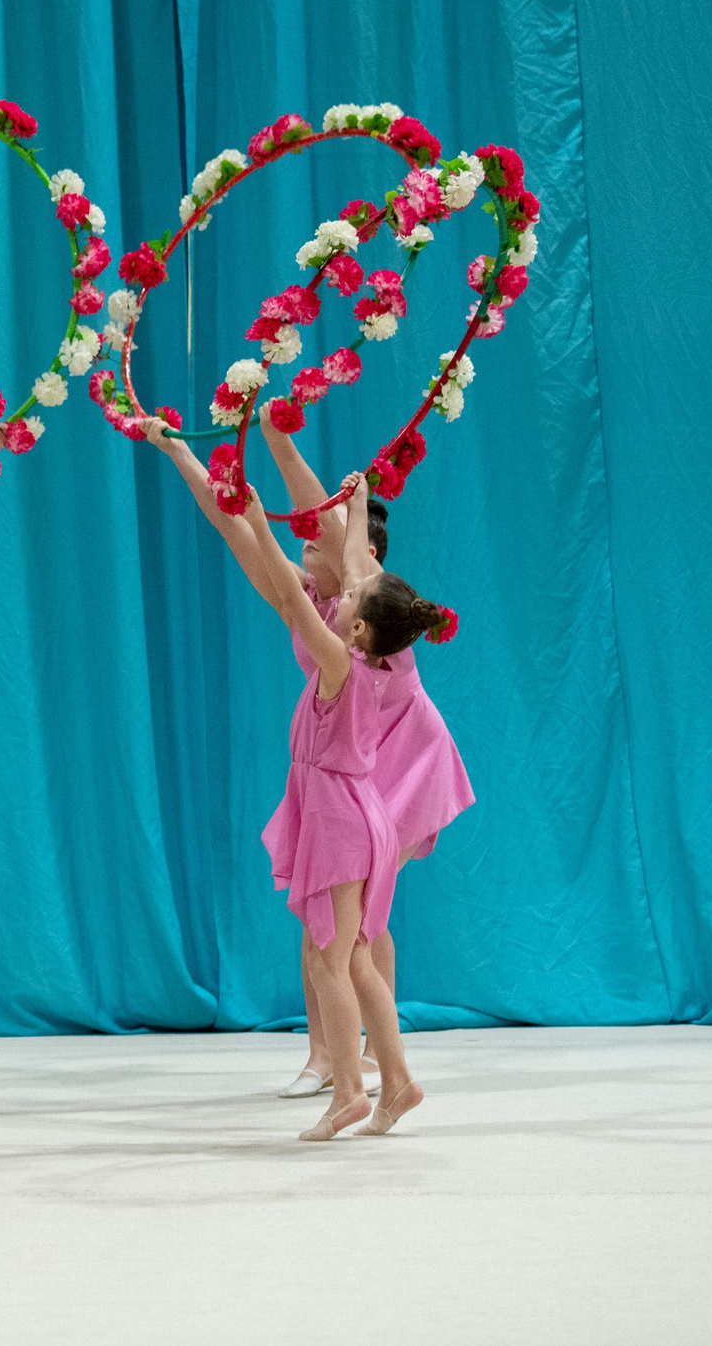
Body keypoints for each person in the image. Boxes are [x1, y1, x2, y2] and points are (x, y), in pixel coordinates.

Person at [146, 420, 436, 1139]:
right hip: (353, 801)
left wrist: (257, 500)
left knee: (329, 956)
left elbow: (285, 577)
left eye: (329, 549)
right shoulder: (360, 635)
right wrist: (192, 461)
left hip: (346, 806)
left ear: (359, 622)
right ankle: (395, 1080)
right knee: (353, 954)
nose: (314, 550)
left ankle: (350, 1091)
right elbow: (294, 560)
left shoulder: (342, 653)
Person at [261, 429, 473, 1100]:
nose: (307, 540)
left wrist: (281, 444)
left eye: (317, 539)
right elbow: (289, 531)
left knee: (356, 919)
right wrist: (258, 450)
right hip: (351, 763)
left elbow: (322, 518)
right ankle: (329, 1054)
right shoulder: (328, 608)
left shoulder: (372, 608)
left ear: (364, 558)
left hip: (404, 762)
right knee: (330, 919)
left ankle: (372, 1057)